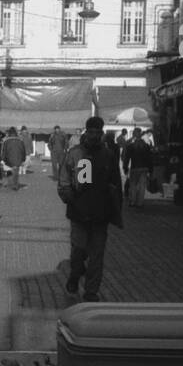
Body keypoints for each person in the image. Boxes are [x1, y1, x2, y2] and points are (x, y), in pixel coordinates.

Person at [57, 117, 124, 302]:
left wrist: (117, 209)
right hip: (79, 214)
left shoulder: (108, 155)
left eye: (97, 132)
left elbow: (115, 183)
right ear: (86, 132)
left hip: (100, 215)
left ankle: (91, 291)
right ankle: (75, 274)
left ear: (102, 133)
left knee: (97, 256)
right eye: (91, 132)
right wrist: (70, 197)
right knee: (78, 251)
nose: (94, 135)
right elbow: (64, 181)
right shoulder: (76, 153)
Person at [122, 127, 154, 208]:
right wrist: (151, 169)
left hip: (134, 167)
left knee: (133, 185)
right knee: (142, 185)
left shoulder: (131, 146)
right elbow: (149, 159)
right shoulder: (146, 146)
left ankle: (132, 201)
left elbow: (127, 158)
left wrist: (125, 167)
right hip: (144, 168)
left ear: (134, 135)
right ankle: (140, 202)